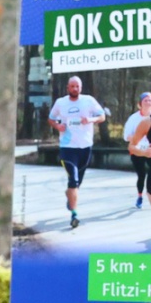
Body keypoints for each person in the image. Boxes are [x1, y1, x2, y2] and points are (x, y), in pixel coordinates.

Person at [49, 74, 106, 227]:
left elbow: (102, 116)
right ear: (68, 88)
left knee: (77, 183)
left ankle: (70, 194)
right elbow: (51, 118)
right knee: (73, 180)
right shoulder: (60, 102)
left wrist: (91, 120)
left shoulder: (89, 101)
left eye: (77, 86)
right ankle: (74, 215)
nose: (75, 89)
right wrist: (57, 126)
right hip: (67, 147)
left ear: (81, 88)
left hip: (85, 147)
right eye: (72, 86)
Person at [125, 92, 151, 210]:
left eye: (150, 100)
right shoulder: (137, 119)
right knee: (141, 175)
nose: (148, 102)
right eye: (146, 100)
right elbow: (127, 137)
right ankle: (140, 196)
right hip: (140, 151)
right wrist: (138, 141)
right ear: (140, 103)